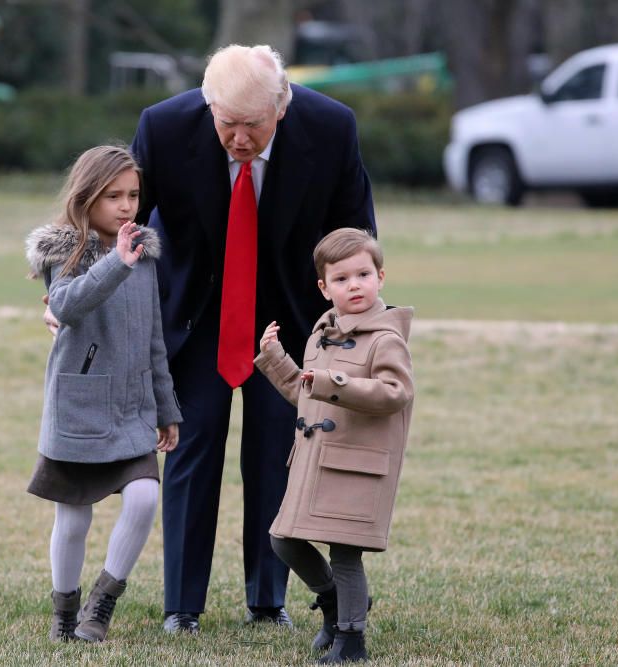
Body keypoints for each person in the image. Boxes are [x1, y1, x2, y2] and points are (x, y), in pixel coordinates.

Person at [44, 44, 375, 633]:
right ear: (207, 104)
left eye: (253, 126)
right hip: (193, 318)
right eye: (227, 124)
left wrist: (360, 321)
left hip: (290, 323)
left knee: (277, 455)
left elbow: (355, 232)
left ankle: (268, 603)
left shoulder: (331, 127)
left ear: (284, 105)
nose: (240, 139)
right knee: (190, 454)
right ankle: (182, 608)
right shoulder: (164, 127)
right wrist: (73, 296)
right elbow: (118, 222)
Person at [25, 145, 182, 643]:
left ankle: (103, 601)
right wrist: (114, 262)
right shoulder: (64, 249)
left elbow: (155, 338)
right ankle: (65, 613)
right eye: (113, 195)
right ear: (86, 196)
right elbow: (67, 304)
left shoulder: (144, 253)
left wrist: (166, 408)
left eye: (133, 195)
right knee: (73, 520)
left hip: (133, 408)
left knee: (143, 498)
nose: (126, 206)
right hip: (80, 406)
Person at [254, 228, 414, 663]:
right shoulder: (322, 333)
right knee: (282, 540)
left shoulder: (385, 338)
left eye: (363, 274)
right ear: (324, 288)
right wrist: (277, 359)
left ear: (381, 276)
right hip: (314, 460)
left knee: (345, 552)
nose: (354, 285)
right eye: (342, 279)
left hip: (356, 464)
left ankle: (351, 639)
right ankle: (334, 604)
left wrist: (332, 381)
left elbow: (395, 391)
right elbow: (308, 394)